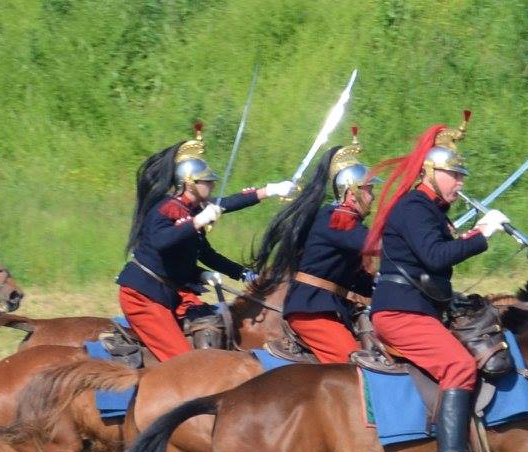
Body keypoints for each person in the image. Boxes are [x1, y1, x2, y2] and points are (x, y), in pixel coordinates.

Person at [363, 114, 514, 452]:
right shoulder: (414, 206)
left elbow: (433, 254)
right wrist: (480, 236)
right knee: (460, 365)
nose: (460, 183)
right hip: (400, 311)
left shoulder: (428, 210)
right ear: (430, 172)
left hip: (418, 307)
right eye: (455, 175)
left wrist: (465, 237)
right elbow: (435, 256)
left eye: (462, 176)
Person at [115, 122, 294, 361]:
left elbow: (210, 243)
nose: (212, 184)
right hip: (144, 295)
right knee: (187, 362)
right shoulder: (167, 209)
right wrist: (197, 222)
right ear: (190, 183)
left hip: (169, 290)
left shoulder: (191, 209)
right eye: (206, 181)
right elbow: (161, 241)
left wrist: (269, 190)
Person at [270, 128, 378, 364]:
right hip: (312, 311)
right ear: (352, 192)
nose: (373, 196)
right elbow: (376, 245)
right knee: (356, 367)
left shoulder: (344, 219)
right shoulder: (338, 219)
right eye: (369, 190)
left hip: (327, 307)